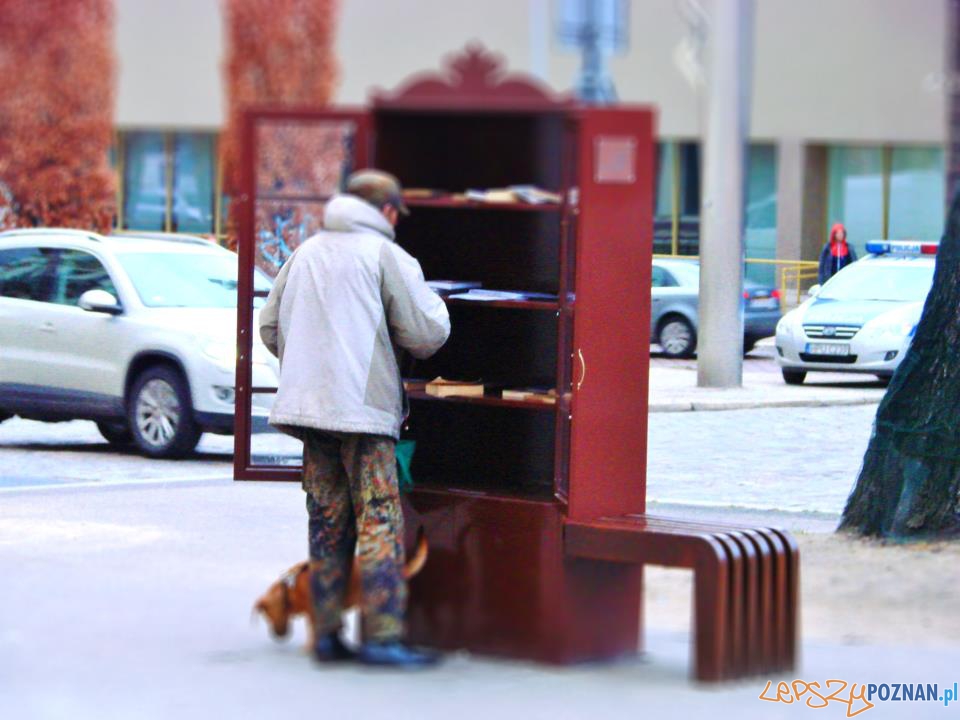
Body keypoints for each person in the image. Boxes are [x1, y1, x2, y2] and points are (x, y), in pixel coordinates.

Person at [259, 169, 450, 667]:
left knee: (326, 522)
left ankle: (325, 635)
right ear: (387, 212)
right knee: (379, 522)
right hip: (363, 415)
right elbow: (428, 334)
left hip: (310, 411)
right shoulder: (386, 255)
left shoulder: (305, 252)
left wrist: (306, 371)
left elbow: (269, 326)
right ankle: (383, 638)